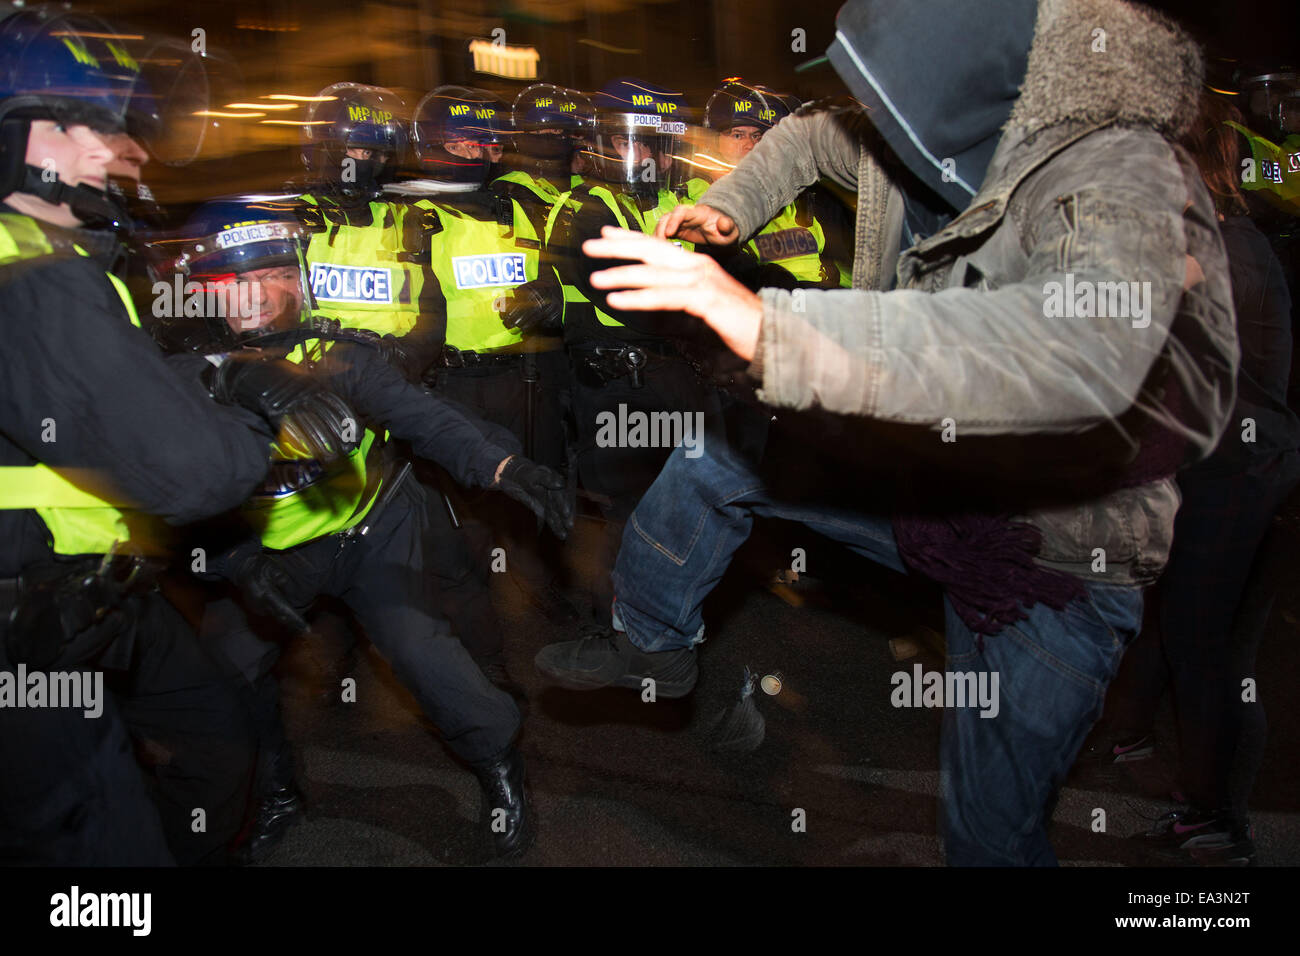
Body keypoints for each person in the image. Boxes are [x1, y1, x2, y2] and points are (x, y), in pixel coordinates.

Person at [536, 0, 1239, 866]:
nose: (869, 115)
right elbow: (800, 138)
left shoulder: (1112, 182)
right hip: (928, 482)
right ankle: (653, 643)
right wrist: (730, 208)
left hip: (1052, 561)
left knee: (985, 841)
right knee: (720, 454)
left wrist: (764, 323)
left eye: (887, 91)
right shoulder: (896, 135)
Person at [0, 8, 357, 865]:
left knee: (213, 743)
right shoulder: (33, 275)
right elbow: (191, 472)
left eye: (114, 124)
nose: (110, 147)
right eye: (76, 122)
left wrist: (219, 373)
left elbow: (105, 394)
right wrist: (252, 412)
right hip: (30, 623)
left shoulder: (55, 251)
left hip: (102, 592)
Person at [153, 197, 573, 862]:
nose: (261, 294)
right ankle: (278, 792)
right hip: (263, 554)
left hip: (372, 531)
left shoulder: (335, 354)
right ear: (203, 291)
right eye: (239, 281)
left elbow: (423, 416)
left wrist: (504, 465)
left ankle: (500, 769)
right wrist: (233, 565)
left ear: (301, 276)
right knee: (228, 677)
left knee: (428, 658)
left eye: (275, 274)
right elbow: (161, 502)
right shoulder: (177, 382)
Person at [1104, 91, 1300, 866]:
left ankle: (1222, 819)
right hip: (1246, 471)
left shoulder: (1220, 253)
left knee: (1207, 649)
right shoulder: (1229, 239)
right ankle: (1181, 783)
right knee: (1200, 639)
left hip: (1241, 478)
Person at [545, 77, 726, 623]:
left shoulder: (676, 202)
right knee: (630, 513)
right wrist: (715, 310)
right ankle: (616, 632)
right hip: (617, 387)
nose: (647, 157)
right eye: (633, 143)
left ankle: (669, 620)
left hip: (675, 377)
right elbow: (628, 300)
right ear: (602, 144)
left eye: (656, 145)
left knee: (687, 505)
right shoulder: (587, 209)